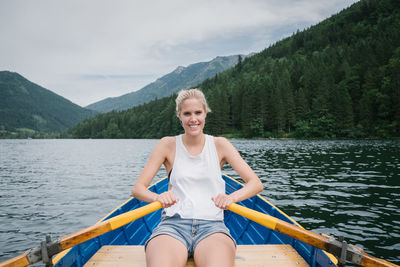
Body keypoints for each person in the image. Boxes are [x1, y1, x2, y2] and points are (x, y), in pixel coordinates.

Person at [131, 88, 263, 267]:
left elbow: (255, 184)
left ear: (205, 114)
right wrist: (158, 197)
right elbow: (138, 189)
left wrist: (231, 198)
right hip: (173, 225)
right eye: (187, 113)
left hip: (212, 227)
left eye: (198, 112)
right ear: (179, 115)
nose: (193, 119)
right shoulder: (167, 145)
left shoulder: (220, 145)